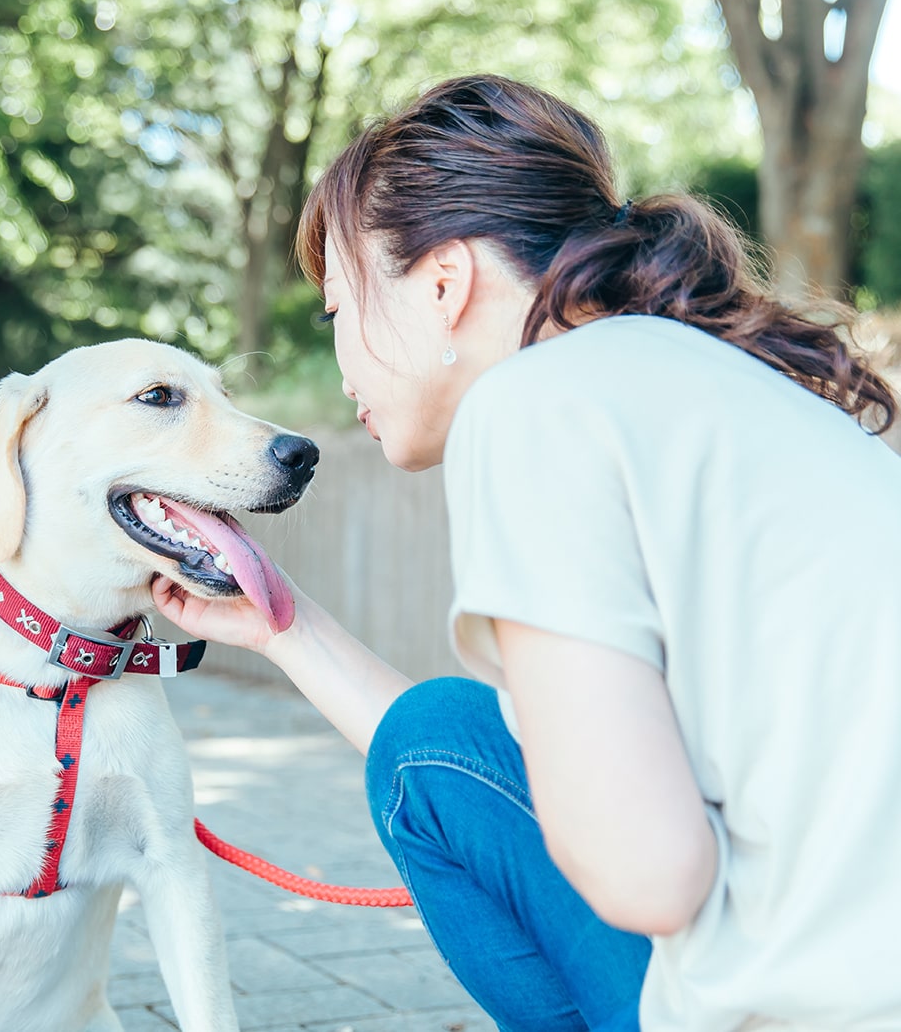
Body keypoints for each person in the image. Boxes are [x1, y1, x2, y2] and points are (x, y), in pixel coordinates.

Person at [150, 74, 901, 1032]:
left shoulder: (538, 404)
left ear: (445, 283)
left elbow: (649, 876)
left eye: (339, 311)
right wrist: (286, 630)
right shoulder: (710, 380)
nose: (340, 363)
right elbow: (456, 763)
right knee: (438, 736)